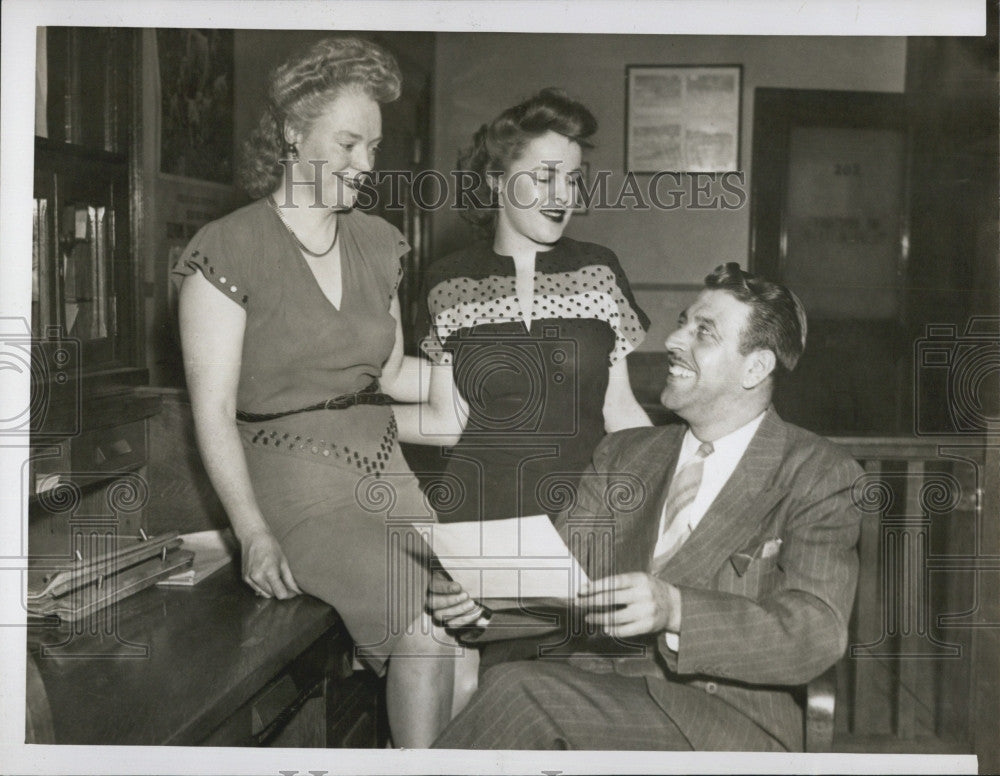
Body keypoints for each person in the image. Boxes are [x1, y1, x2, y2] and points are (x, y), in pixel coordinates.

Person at [174, 36, 473, 748]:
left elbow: (395, 375)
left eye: (373, 147)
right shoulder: (229, 248)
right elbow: (211, 411)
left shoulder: (377, 242)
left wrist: (490, 379)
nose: (365, 165)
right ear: (291, 129)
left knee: (465, 636)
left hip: (384, 466)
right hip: (290, 479)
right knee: (423, 626)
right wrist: (252, 534)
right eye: (347, 143)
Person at [428, 263, 864, 751]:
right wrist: (486, 606)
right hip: (595, 690)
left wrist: (676, 609)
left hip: (723, 723)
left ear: (756, 367)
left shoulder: (818, 473)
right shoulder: (626, 453)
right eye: (682, 322)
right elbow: (568, 585)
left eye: (703, 332)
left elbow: (815, 632)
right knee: (518, 687)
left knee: (518, 691)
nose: (675, 339)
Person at [415, 88, 652, 524]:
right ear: (497, 179)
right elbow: (446, 419)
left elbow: (619, 408)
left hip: (584, 513)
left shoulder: (598, 270)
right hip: (478, 511)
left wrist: (668, 486)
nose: (563, 196)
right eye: (545, 178)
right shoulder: (446, 282)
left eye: (573, 178)